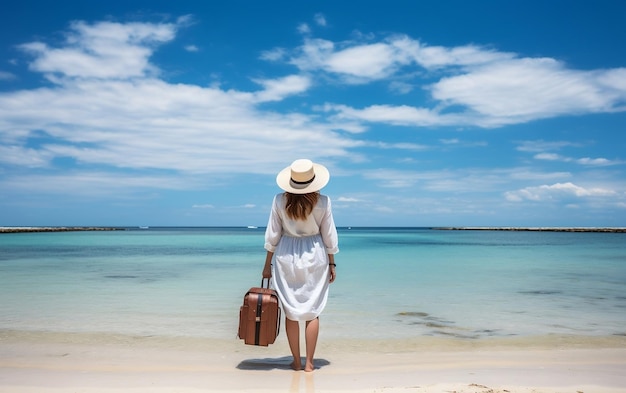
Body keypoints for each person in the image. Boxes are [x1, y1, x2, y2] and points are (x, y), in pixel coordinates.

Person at [262, 159, 339, 372]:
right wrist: (332, 263)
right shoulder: (323, 202)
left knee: (291, 311)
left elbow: (273, 235)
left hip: (286, 255)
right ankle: (310, 364)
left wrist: (267, 264)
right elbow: (329, 236)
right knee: (312, 312)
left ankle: (296, 362)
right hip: (315, 254)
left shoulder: (279, 200)